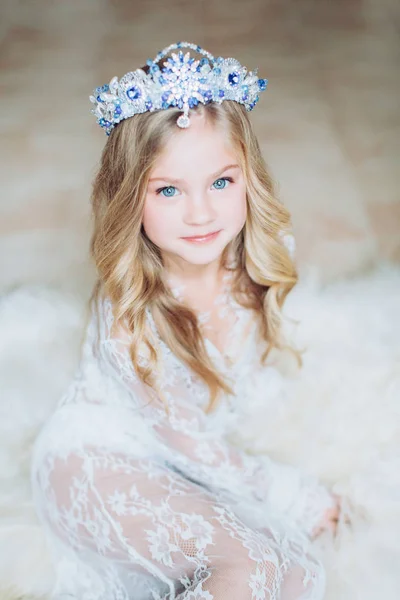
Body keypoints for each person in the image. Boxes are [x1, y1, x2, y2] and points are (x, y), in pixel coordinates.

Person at [31, 42, 341, 600]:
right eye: (169, 190)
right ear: (131, 199)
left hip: (190, 465)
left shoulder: (260, 260)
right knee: (247, 565)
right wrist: (290, 489)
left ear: (250, 178)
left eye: (221, 182)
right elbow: (188, 442)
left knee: (297, 569)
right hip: (102, 460)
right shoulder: (128, 314)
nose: (201, 213)